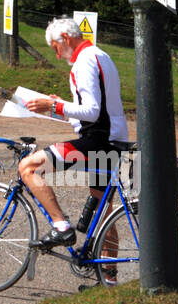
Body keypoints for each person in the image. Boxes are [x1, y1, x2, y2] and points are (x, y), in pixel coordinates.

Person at [19, 17, 129, 281]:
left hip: (98, 140)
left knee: (29, 166)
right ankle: (109, 279)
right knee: (103, 213)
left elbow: (91, 112)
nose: (56, 56)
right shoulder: (100, 54)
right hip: (114, 139)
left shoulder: (84, 61)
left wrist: (54, 107)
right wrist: (59, 107)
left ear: (65, 39)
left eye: (55, 48)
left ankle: (60, 226)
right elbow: (93, 109)